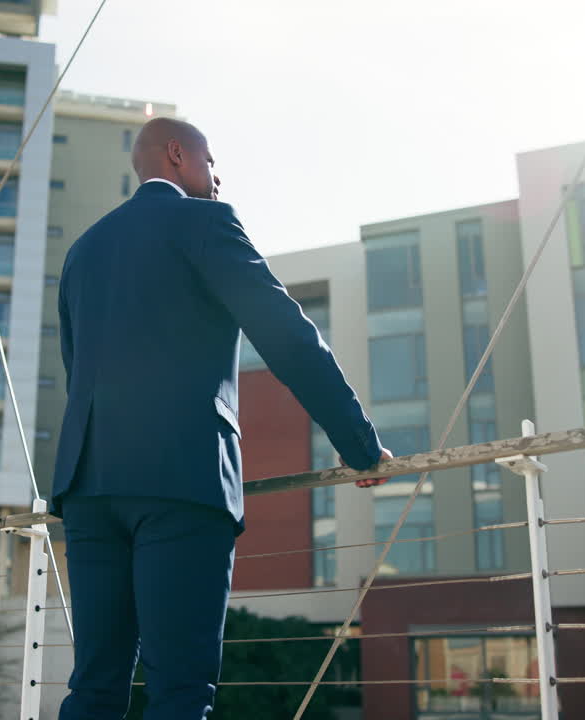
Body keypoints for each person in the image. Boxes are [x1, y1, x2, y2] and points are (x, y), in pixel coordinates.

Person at [50, 117, 391, 720]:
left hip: (88, 487)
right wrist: (359, 445)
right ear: (179, 155)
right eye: (212, 164)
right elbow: (289, 338)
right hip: (181, 479)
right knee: (180, 692)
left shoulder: (83, 250)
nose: (217, 179)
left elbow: (76, 369)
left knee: (94, 688)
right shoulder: (205, 221)